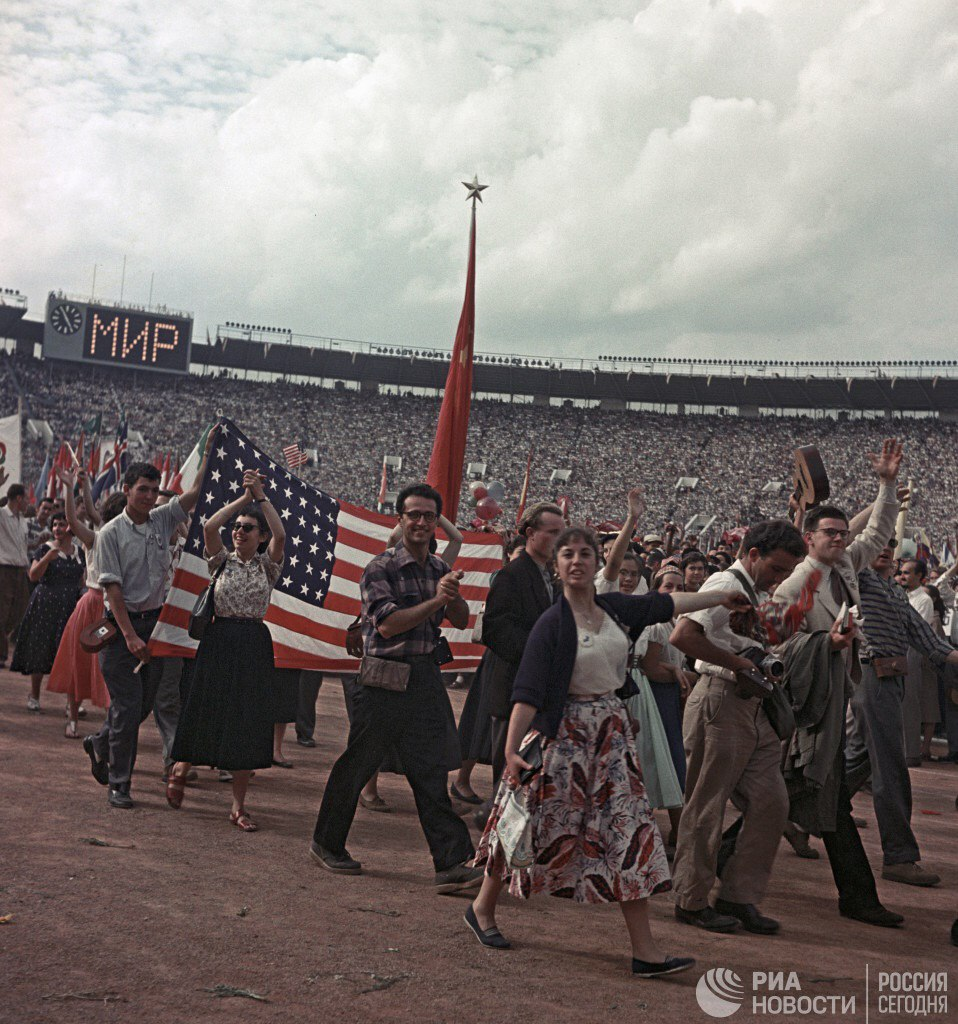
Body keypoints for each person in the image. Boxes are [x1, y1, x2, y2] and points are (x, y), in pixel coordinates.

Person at [465, 526, 751, 977]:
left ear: (597, 563)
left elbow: (668, 604)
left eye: (585, 554)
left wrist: (718, 599)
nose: (577, 561)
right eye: (567, 554)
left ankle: (645, 951)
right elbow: (527, 692)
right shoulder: (551, 622)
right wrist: (511, 752)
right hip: (560, 740)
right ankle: (482, 907)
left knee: (629, 833)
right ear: (557, 566)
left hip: (612, 740)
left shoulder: (615, 608)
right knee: (525, 828)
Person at [309, 483, 481, 894]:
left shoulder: (439, 569)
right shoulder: (379, 568)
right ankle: (326, 843)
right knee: (359, 764)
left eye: (429, 516)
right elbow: (387, 625)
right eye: (414, 515)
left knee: (429, 770)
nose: (421, 522)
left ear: (437, 522)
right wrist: (438, 602)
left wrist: (452, 598)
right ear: (400, 519)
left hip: (422, 677)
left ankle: (451, 862)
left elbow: (459, 620)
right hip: (384, 679)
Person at [772, 437, 907, 925]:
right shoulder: (795, 585)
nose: (839, 539)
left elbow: (879, 530)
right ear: (808, 538)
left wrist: (887, 485)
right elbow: (768, 643)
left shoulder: (845, 565)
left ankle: (722, 859)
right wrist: (823, 644)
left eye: (841, 533)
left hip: (833, 702)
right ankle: (859, 898)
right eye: (829, 532)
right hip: (807, 711)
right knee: (823, 803)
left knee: (790, 800)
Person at [669, 518, 807, 934]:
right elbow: (682, 636)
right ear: (752, 555)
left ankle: (739, 896)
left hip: (750, 706)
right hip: (721, 697)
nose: (779, 579)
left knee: (772, 803)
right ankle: (690, 899)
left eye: (786, 572)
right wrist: (739, 663)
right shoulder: (722, 582)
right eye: (776, 569)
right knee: (707, 804)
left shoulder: (752, 590)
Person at [82, 441, 211, 809]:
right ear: (126, 490)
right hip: (123, 628)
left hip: (158, 625)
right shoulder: (110, 533)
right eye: (143, 489)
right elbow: (113, 591)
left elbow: (196, 492)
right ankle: (120, 783)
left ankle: (101, 742)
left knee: (142, 706)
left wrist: (211, 449)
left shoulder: (163, 519)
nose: (150, 497)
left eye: (155, 491)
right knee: (127, 705)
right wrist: (130, 637)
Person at [166, 469, 285, 831]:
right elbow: (209, 527)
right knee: (206, 707)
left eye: (248, 528)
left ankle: (238, 807)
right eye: (239, 527)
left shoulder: (268, 566)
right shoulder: (221, 561)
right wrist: (244, 500)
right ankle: (182, 766)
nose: (240, 531)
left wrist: (261, 498)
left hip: (252, 644)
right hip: (219, 641)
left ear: (259, 537)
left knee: (245, 721)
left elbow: (280, 533)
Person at [841, 538, 958, 888]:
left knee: (856, 761)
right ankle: (899, 856)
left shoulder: (894, 592)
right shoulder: (858, 579)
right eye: (879, 542)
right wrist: (885, 493)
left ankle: (800, 816)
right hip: (873, 676)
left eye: (891, 543)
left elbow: (930, 642)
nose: (885, 548)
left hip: (890, 681)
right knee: (890, 768)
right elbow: (849, 547)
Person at [472, 501, 564, 825]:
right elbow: (496, 629)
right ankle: (494, 848)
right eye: (553, 532)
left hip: (538, 693)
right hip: (512, 689)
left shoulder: (552, 578)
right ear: (530, 533)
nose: (559, 538)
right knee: (507, 776)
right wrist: (539, 653)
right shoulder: (512, 575)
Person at [47, 468, 125, 736]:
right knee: (78, 661)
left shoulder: (128, 541)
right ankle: (73, 718)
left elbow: (91, 512)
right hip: (92, 603)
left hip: (112, 608)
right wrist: (73, 487)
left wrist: (83, 484)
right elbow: (79, 516)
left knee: (109, 668)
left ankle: (110, 726)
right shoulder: (98, 536)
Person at [637, 563, 697, 850]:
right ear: (656, 591)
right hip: (654, 698)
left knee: (673, 763)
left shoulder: (678, 621)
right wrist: (676, 673)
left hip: (670, 698)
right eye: (667, 586)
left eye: (679, 586)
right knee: (663, 761)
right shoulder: (657, 624)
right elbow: (649, 668)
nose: (674, 591)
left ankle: (677, 832)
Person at [12, 511, 85, 711]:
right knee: (40, 649)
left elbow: (83, 580)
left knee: (70, 654)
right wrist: (47, 558)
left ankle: (72, 703)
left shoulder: (79, 552)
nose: (57, 529)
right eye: (54, 525)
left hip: (70, 607)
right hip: (45, 605)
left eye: (62, 524)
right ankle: (34, 696)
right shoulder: (45, 549)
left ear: (71, 527)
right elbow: (33, 575)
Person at [0, 483, 31, 669]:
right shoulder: (2, 515)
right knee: (2, 612)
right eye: (26, 498)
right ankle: (2, 654)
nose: (28, 502)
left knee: (20, 609)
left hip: (20, 570)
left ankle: (2, 640)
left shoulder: (23, 520)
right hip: (5, 570)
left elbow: (22, 546)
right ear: (18, 498)